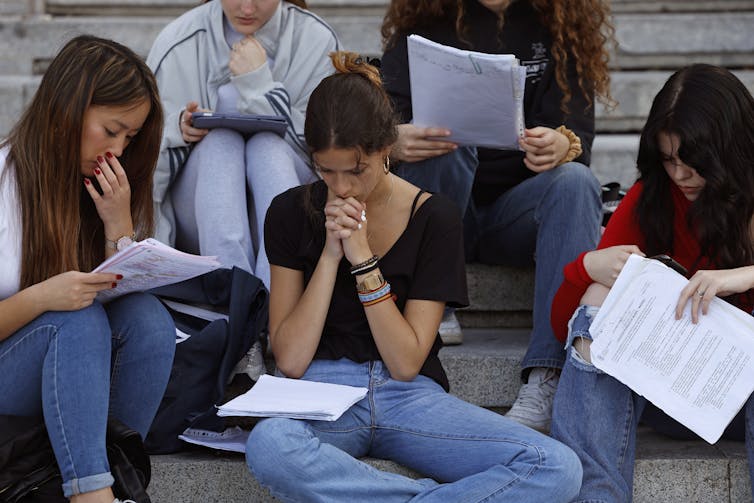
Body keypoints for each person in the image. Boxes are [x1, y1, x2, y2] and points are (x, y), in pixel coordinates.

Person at [244, 51, 582, 503]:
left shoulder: (435, 217)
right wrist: (329, 256)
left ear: (387, 150)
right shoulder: (289, 211)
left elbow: (405, 362)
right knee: (269, 444)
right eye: (327, 170)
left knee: (557, 467)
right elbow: (290, 360)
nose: (341, 187)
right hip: (319, 390)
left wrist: (362, 260)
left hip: (409, 395)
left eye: (356, 170)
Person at [379, 0, 614, 431]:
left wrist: (564, 144)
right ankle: (433, 297)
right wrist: (392, 140)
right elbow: (380, 117)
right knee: (449, 142)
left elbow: (579, 128)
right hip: (444, 206)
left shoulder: (559, 24)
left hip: (518, 211)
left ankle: (550, 372)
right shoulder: (427, 22)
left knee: (577, 181)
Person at [549, 64, 754, 502]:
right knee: (599, 296)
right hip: (673, 388)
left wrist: (740, 278)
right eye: (669, 159)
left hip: (742, 395)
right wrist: (586, 266)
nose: (680, 176)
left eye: (694, 163)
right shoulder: (655, 196)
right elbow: (562, 330)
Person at [0, 35, 175, 503]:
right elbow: (69, 310)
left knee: (148, 320)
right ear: (68, 108)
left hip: (69, 373)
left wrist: (119, 230)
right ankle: (92, 496)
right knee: (74, 319)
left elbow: (113, 302)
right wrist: (41, 298)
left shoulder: (100, 190)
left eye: (130, 138)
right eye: (111, 130)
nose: (116, 150)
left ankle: (118, 481)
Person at [146, 0, 339, 288]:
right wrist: (179, 129)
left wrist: (258, 85)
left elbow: (332, 147)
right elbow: (145, 150)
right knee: (220, 144)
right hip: (201, 216)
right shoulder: (179, 40)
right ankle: (232, 292)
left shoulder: (317, 39)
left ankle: (278, 295)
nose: (247, 8)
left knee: (266, 148)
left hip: (291, 200)